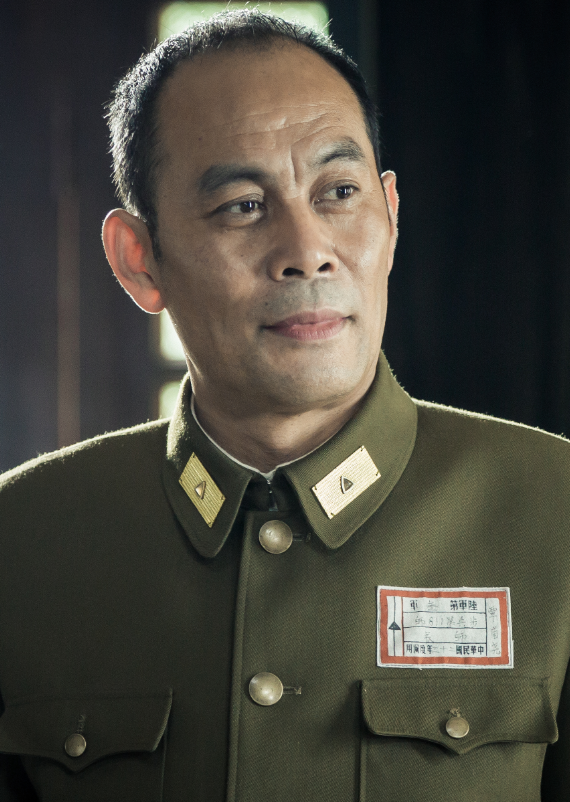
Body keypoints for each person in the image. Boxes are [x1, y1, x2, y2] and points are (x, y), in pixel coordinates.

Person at [0, 10, 568, 801]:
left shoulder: (553, 511)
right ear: (139, 260)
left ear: (391, 216)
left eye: (339, 192)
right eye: (242, 205)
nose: (307, 251)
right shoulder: (22, 540)